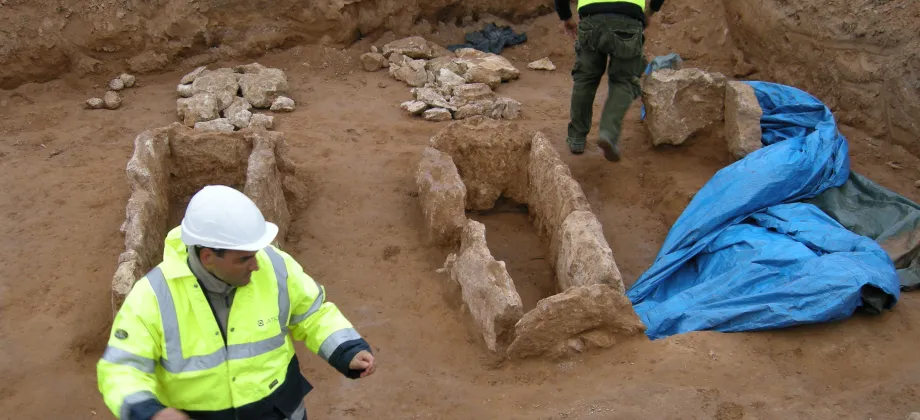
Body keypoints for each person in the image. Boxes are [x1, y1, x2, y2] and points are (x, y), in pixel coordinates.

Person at [97, 185, 376, 420]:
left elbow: (312, 313)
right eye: (243, 259)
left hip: (280, 411)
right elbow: (122, 368)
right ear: (207, 256)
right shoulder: (153, 296)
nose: (256, 265)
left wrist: (345, 349)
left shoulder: (274, 265)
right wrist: (149, 412)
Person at [556, 0, 665, 162]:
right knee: (624, 82)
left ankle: (577, 138)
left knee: (585, 79)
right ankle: (608, 133)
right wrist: (651, 11)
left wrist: (565, 16)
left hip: (591, 20)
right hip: (628, 20)